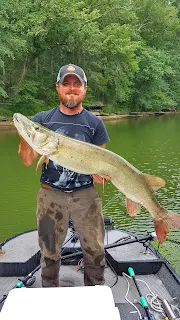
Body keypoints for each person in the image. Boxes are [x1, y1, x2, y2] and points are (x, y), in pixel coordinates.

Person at [18, 64, 110, 287]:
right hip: (50, 196)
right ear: (58, 87)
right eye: (66, 83)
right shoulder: (42, 119)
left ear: (84, 89)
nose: (71, 88)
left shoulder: (95, 123)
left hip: (85, 195)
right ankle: (50, 292)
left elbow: (102, 162)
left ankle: (95, 293)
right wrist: (27, 135)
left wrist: (101, 173)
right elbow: (27, 160)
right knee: (49, 252)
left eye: (77, 84)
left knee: (95, 251)